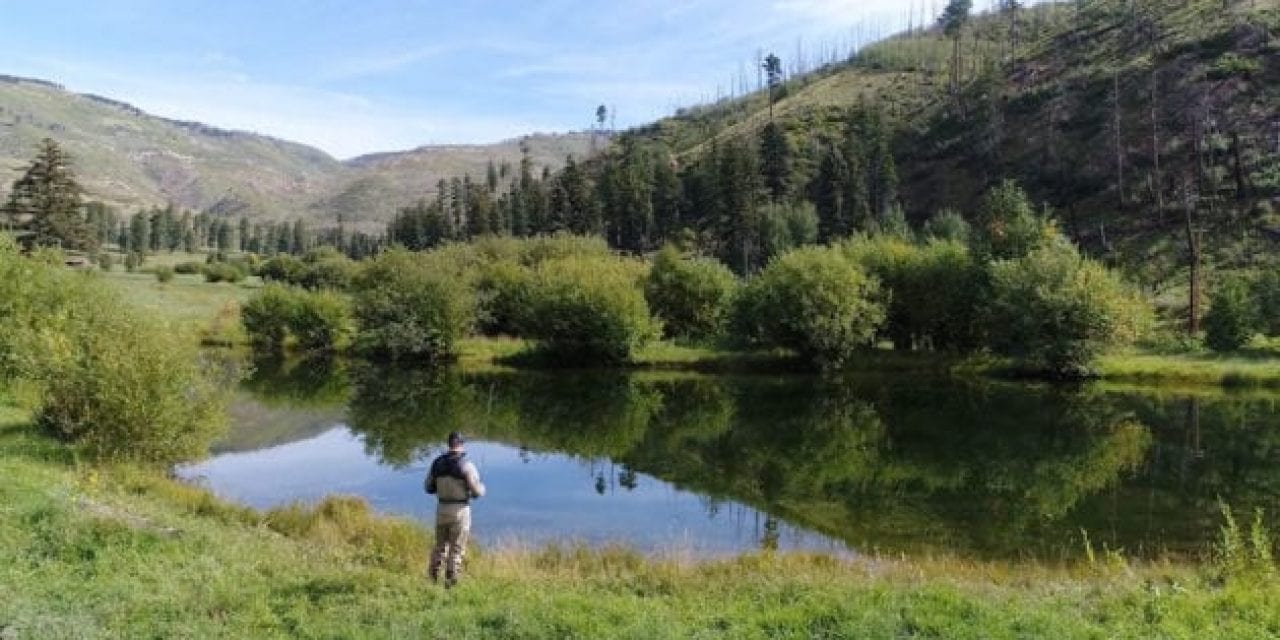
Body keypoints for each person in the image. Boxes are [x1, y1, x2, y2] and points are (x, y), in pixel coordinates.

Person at [424, 431, 485, 587]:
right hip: (460, 510)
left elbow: (428, 488)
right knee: (456, 548)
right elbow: (477, 492)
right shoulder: (466, 465)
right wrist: (481, 488)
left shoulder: (436, 463)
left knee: (439, 546)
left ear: (448, 444)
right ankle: (450, 583)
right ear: (461, 444)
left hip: (441, 508)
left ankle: (432, 578)